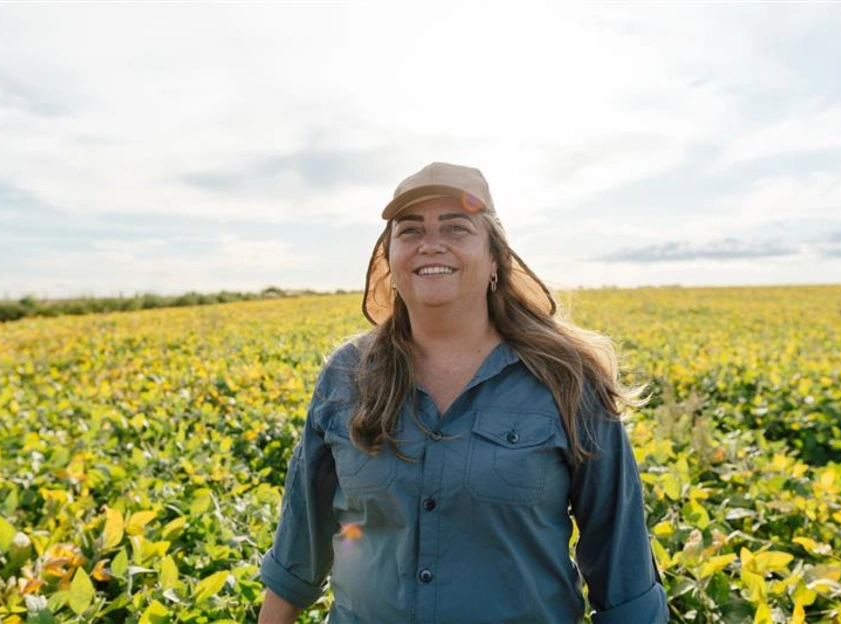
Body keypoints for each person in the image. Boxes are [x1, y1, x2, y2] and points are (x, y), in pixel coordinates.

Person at [258, 162, 669, 624]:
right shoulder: (346, 374)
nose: (431, 243)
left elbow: (622, 565)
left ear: (495, 258)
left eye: (456, 227)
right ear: (389, 259)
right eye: (410, 230)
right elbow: (300, 542)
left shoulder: (567, 377)